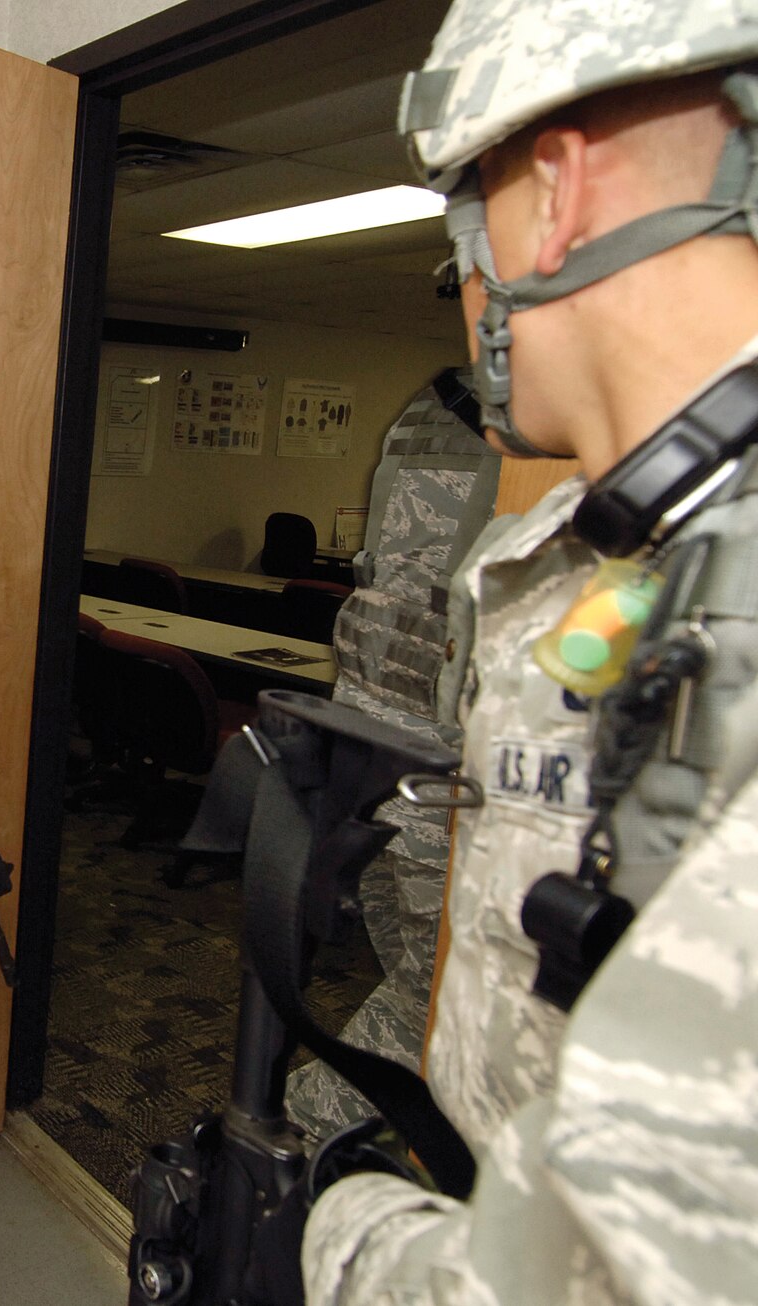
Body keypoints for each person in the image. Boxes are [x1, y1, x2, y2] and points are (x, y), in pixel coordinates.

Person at [302, 4, 758, 1302]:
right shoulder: (578, 546)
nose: (469, 303)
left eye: (468, 235)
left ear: (550, 194)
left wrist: (327, 1230)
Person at [284, 367, 498, 1140]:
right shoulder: (532, 437)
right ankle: (303, 1128)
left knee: (414, 976)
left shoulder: (432, 407)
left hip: (369, 749)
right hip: (435, 773)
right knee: (430, 996)